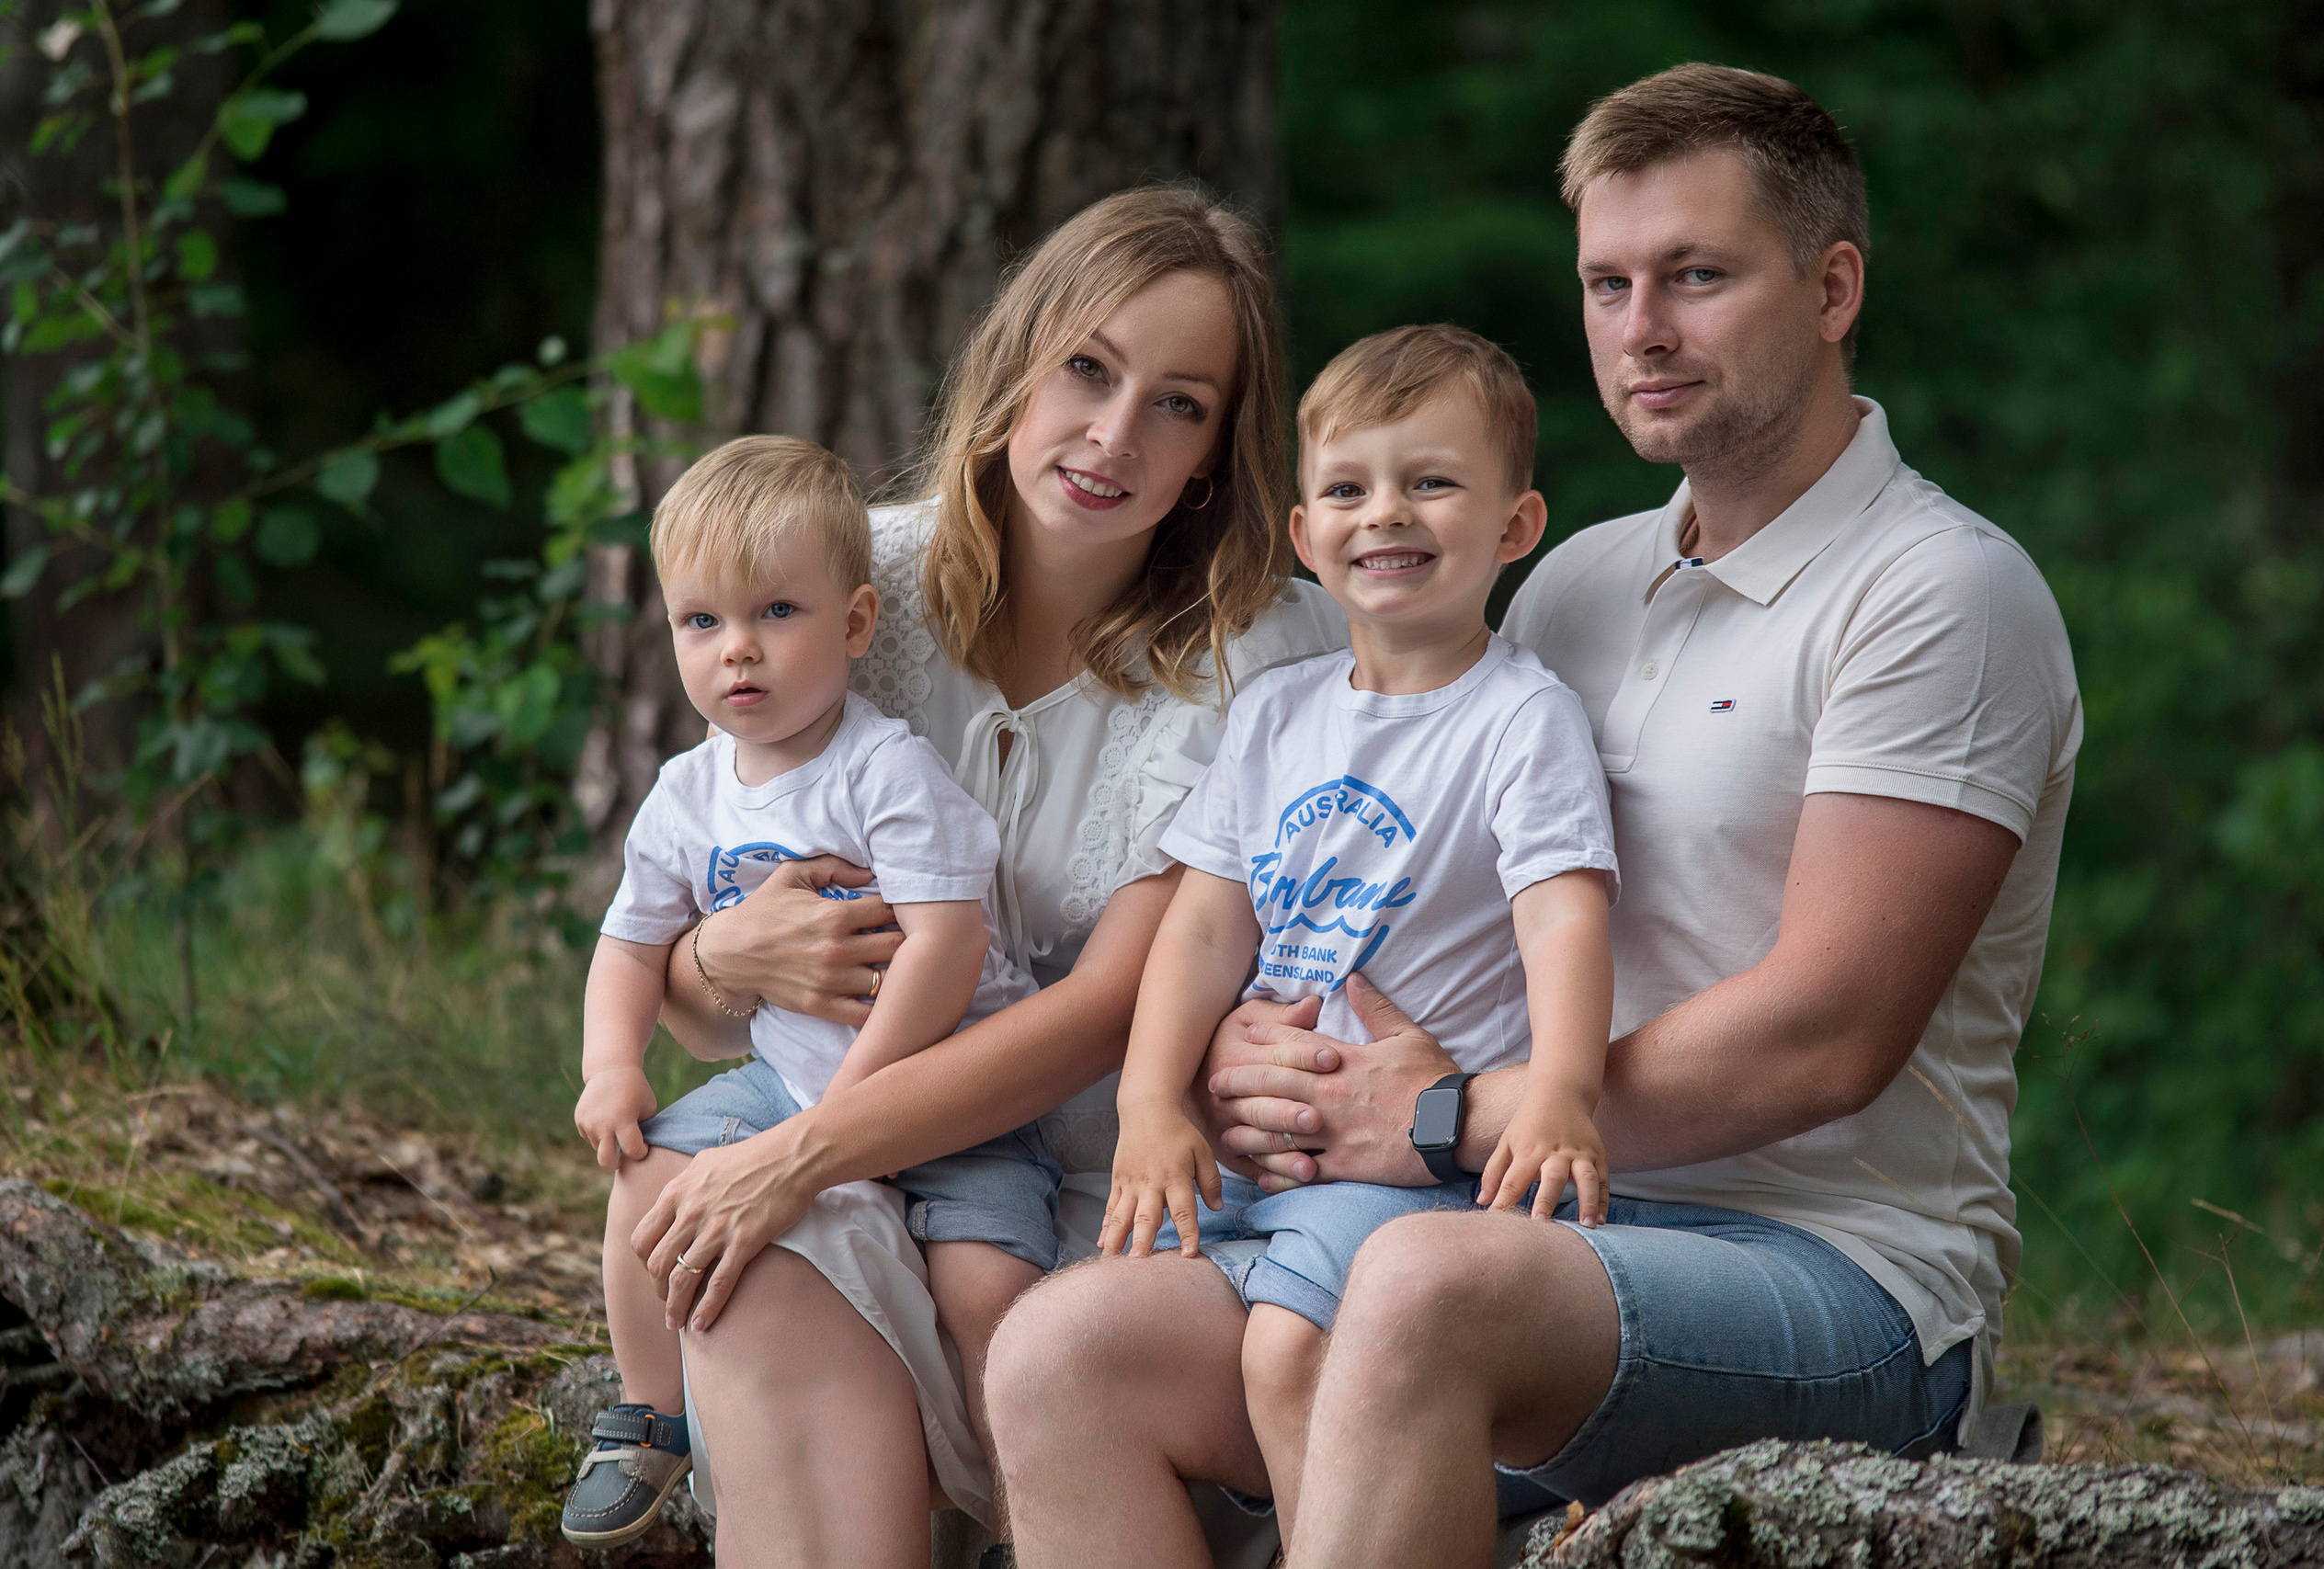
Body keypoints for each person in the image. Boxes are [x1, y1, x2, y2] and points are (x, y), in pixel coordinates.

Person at [988, 63, 2083, 1569]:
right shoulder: (1571, 587)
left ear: (1834, 288)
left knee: (1423, 1290)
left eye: (1698, 276)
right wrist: (1266, 1047)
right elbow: (1378, 856)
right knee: (1068, 1344)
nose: (1643, 326)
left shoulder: (1938, 593)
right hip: (1527, 1223)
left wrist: (1437, 1113)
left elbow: (1829, 1034)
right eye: (1609, 282)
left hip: (1828, 1270)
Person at [623, 186, 1347, 1566]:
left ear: (1213, 453)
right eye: (1087, 367)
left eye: (1178, 403)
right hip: (855, 1158)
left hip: (1117, 1192)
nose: (1113, 434)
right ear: (1016, 360)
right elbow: (693, 989)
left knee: (787, 1216)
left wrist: (801, 1152)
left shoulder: (1260, 646)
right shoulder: (851, 584)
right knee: (734, 1254)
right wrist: (726, 961)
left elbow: (1114, 1003)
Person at [1099, 323, 1620, 1535]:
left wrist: (1560, 1090)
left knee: (1287, 1351)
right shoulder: (1277, 713)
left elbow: (1565, 917)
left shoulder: (1520, 718)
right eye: (1348, 487)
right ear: (1303, 535)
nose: (1386, 512)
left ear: (1515, 526)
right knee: (1101, 1321)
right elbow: (1200, 931)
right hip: (1255, 1152)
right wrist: (1147, 1101)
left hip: (1401, 1172)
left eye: (1430, 481)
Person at [559, 437, 1051, 1548]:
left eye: (776, 612)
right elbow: (630, 945)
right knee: (647, 1183)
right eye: (702, 622)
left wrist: (861, 1110)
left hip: (952, 1101)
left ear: (856, 625)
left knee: (986, 1291)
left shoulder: (885, 772)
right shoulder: (688, 794)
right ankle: (649, 1408)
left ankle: (1016, 1497)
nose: (738, 651)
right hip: (787, 1080)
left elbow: (946, 950)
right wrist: (610, 1065)